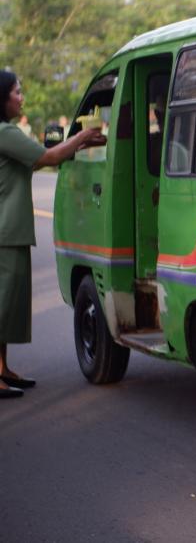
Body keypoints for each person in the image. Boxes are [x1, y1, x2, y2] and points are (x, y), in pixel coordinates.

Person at [0, 71, 106, 399]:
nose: (22, 98)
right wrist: (82, 136)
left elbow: (37, 161)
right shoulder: (5, 132)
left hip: (11, 231)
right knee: (2, 305)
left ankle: (2, 369)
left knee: (8, 305)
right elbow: (49, 157)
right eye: (17, 92)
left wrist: (78, 143)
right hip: (5, 233)